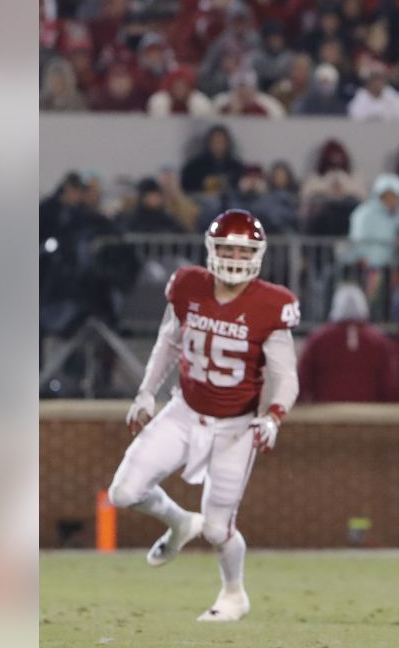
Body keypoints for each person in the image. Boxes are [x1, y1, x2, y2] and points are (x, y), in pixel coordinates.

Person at [107, 209, 300, 622]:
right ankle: (179, 523)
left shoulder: (272, 303)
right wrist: (145, 393)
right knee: (123, 493)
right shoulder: (188, 284)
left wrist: (273, 418)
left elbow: (286, 376)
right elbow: (167, 343)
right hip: (185, 411)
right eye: (227, 247)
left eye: (242, 249)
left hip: (236, 426)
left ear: (258, 254)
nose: (233, 256)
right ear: (212, 248)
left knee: (217, 529)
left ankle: (234, 595)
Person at [297, 283, 395, 404]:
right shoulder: (378, 340)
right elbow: (389, 384)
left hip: (327, 414)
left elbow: (303, 380)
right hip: (368, 415)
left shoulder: (319, 339)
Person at [181, 125, 245, 194]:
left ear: (227, 143)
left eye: (221, 141)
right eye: (214, 141)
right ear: (208, 143)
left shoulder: (237, 168)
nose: (218, 145)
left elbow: (241, 191)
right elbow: (187, 191)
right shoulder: (193, 168)